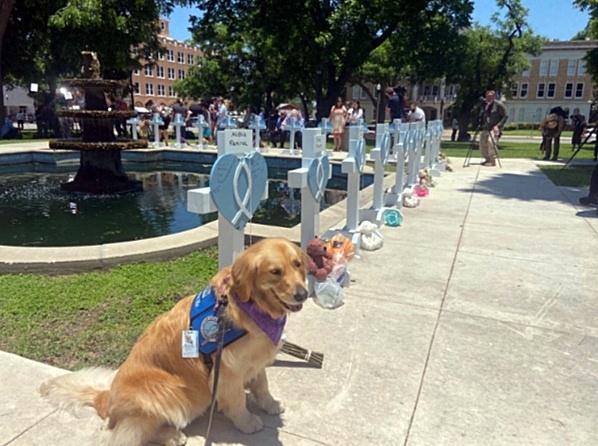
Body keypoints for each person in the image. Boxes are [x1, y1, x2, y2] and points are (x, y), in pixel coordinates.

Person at [479, 90, 507, 166]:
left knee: (491, 142)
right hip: (487, 127)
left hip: (495, 127)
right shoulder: (484, 105)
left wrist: (498, 125)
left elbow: (505, 116)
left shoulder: (498, 105)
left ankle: (492, 160)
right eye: (487, 96)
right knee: (482, 142)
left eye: (491, 96)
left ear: (494, 97)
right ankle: (487, 159)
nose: (489, 98)